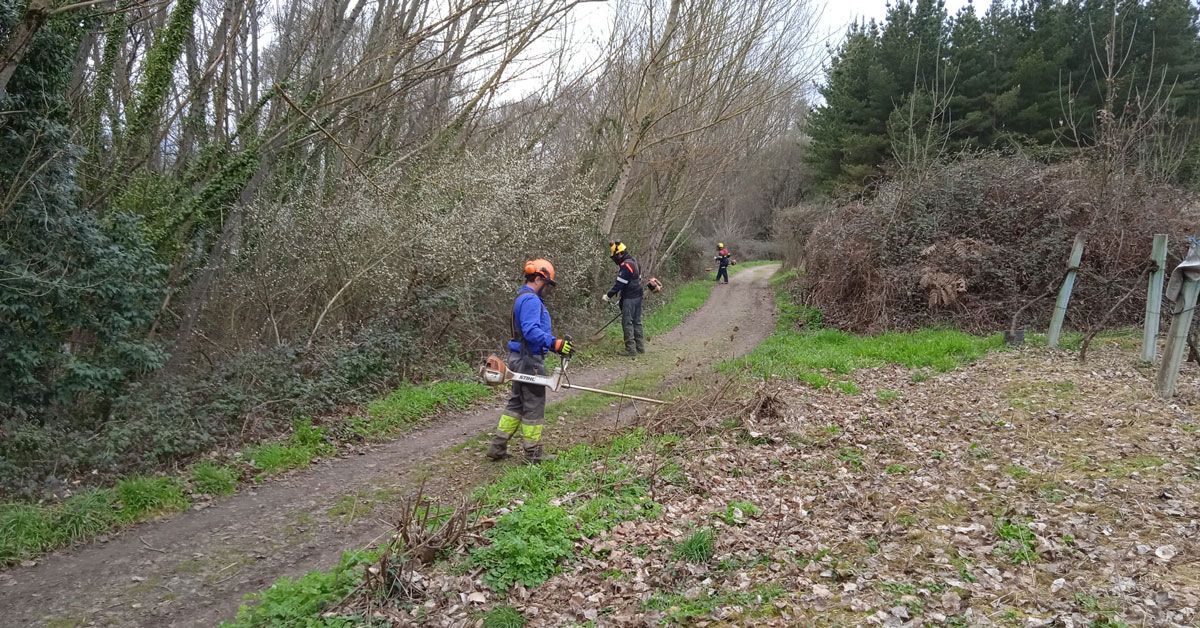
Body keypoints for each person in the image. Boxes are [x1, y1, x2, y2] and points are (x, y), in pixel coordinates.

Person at [487, 259, 574, 464]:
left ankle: (497, 446)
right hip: (529, 361)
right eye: (547, 285)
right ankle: (533, 454)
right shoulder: (532, 301)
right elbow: (531, 331)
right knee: (534, 404)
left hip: (518, 358)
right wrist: (555, 343)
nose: (548, 290)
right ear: (538, 278)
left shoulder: (521, 298)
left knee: (516, 403)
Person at [602, 241, 644, 356]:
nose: (615, 259)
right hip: (638, 295)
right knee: (637, 321)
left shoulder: (626, 266)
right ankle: (640, 347)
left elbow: (619, 284)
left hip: (630, 297)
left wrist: (608, 295)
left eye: (615, 256)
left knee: (627, 322)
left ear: (619, 254)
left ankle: (630, 350)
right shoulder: (634, 261)